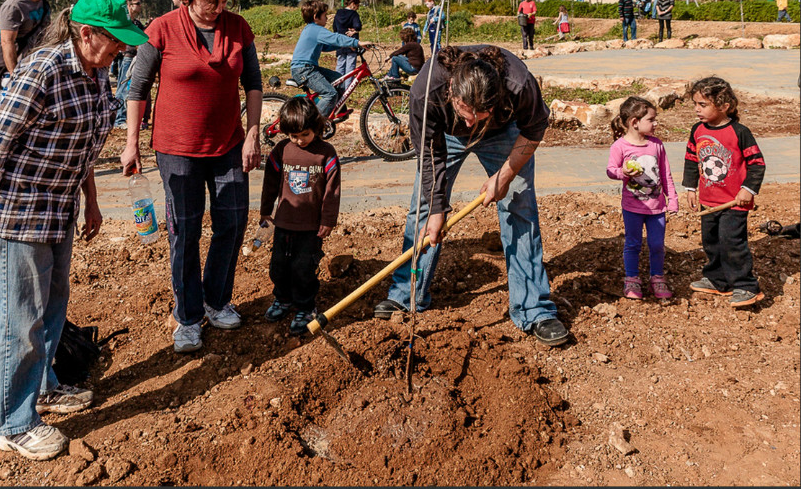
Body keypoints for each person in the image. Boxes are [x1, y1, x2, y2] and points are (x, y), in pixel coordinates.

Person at [0, 0, 147, 461]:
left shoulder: (98, 74)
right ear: (86, 34)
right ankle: (14, 423)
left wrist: (91, 201)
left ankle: (42, 388)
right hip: (22, 215)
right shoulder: (41, 72)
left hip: (61, 210)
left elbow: (83, 146)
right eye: (114, 41)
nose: (121, 50)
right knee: (20, 322)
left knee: (52, 310)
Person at [374, 45, 570, 347]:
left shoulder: (518, 83)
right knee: (424, 212)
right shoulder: (427, 91)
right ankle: (407, 296)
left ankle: (534, 309)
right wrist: (438, 209)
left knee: (520, 209)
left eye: (480, 115)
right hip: (444, 138)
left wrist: (504, 176)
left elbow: (534, 128)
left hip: (503, 136)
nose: (472, 124)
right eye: (467, 113)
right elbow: (428, 156)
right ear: (452, 92)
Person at [120, 0, 263, 353]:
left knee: (231, 223)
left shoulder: (238, 28)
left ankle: (216, 301)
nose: (219, 9)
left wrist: (252, 133)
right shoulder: (163, 28)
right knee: (184, 231)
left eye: (224, 1)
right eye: (212, 1)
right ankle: (187, 315)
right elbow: (138, 88)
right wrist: (132, 141)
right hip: (177, 148)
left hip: (228, 143)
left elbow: (253, 82)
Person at [260, 97, 341, 335]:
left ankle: (305, 306)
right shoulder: (281, 150)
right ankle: (283, 299)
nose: (299, 140)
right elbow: (270, 183)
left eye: (304, 134)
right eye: (293, 135)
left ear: (316, 127)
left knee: (303, 267)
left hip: (311, 226)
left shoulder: (325, 153)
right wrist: (266, 211)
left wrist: (328, 220)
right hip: (284, 222)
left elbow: (332, 191)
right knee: (278, 265)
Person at [683, 77, 766, 308]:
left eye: (703, 105)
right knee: (711, 241)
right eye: (695, 104)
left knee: (732, 242)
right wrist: (691, 187)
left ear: (723, 106)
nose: (697, 110)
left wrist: (748, 189)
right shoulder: (697, 130)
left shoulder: (740, 132)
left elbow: (757, 163)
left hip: (733, 202)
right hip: (709, 201)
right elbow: (691, 159)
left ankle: (746, 285)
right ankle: (718, 280)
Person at [607, 97, 678, 300]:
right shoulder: (620, 147)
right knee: (633, 244)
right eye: (651, 119)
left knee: (657, 244)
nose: (656, 124)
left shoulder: (657, 145)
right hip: (632, 207)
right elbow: (611, 171)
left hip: (657, 208)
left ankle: (657, 278)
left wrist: (672, 198)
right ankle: (632, 279)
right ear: (634, 122)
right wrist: (624, 172)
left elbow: (666, 174)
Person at [290, 0, 372, 118]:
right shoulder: (316, 30)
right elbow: (336, 38)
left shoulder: (310, 29)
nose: (327, 18)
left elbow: (326, 46)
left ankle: (338, 110)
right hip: (304, 70)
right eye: (325, 15)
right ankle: (315, 124)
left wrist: (348, 44)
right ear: (315, 17)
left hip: (308, 68)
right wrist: (357, 42)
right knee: (330, 94)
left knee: (338, 79)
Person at [112, 0, 146, 128]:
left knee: (128, 88)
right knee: (122, 88)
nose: (140, 6)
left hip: (134, 57)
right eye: (137, 4)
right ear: (129, 6)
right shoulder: (124, 22)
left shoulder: (136, 23)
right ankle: (118, 120)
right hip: (126, 58)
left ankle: (121, 118)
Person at [332, 0, 362, 89]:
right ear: (353, 4)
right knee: (350, 67)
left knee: (340, 65)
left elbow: (334, 27)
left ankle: (338, 86)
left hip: (340, 41)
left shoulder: (338, 13)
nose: (358, 8)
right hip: (351, 42)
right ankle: (348, 88)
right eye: (357, 5)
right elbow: (358, 25)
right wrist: (355, 31)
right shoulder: (354, 14)